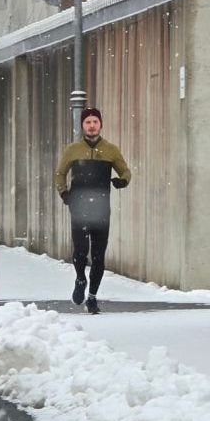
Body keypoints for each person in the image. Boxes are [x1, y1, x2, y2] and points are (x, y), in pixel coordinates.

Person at [54, 108, 130, 314]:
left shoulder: (111, 150)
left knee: (98, 255)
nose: (92, 125)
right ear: (82, 125)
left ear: (100, 124)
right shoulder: (73, 150)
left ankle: (93, 297)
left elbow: (125, 171)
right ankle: (80, 279)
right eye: (88, 122)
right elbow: (60, 173)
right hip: (79, 207)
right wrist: (64, 193)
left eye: (95, 121)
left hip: (101, 209)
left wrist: (122, 180)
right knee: (80, 251)